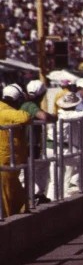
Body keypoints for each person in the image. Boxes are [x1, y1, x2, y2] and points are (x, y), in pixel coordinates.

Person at [21, 80, 57, 204]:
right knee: (35, 169)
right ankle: (34, 195)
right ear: (42, 95)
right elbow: (44, 117)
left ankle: (33, 195)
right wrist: (53, 117)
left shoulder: (25, 103)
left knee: (35, 168)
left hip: (28, 144)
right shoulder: (31, 105)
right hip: (28, 144)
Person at [0, 85, 32, 216]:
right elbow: (26, 117)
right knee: (5, 200)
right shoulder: (5, 111)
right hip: (5, 161)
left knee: (20, 200)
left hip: (10, 162)